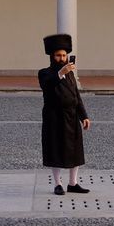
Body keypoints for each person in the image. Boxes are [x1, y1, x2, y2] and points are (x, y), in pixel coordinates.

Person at [38, 33, 92, 196]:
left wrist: (84, 116)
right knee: (56, 149)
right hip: (54, 118)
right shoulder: (44, 73)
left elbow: (76, 94)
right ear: (52, 57)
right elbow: (48, 85)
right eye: (58, 55)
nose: (61, 58)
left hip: (71, 117)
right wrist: (61, 72)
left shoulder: (69, 73)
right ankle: (57, 184)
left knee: (74, 149)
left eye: (63, 55)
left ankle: (72, 183)